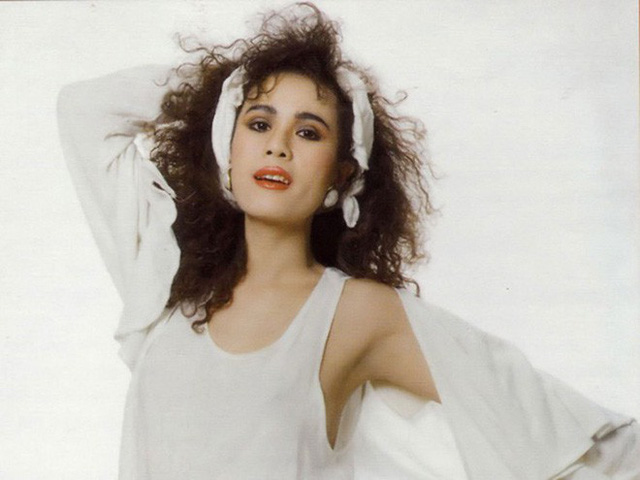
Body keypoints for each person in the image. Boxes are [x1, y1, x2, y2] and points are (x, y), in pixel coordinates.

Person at [57, 3, 639, 479]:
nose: (278, 145)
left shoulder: (355, 312)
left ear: (342, 175)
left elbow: (549, 426)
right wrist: (224, 84)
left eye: (308, 132)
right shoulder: (165, 285)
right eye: (257, 122)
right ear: (224, 147)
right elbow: (83, 110)